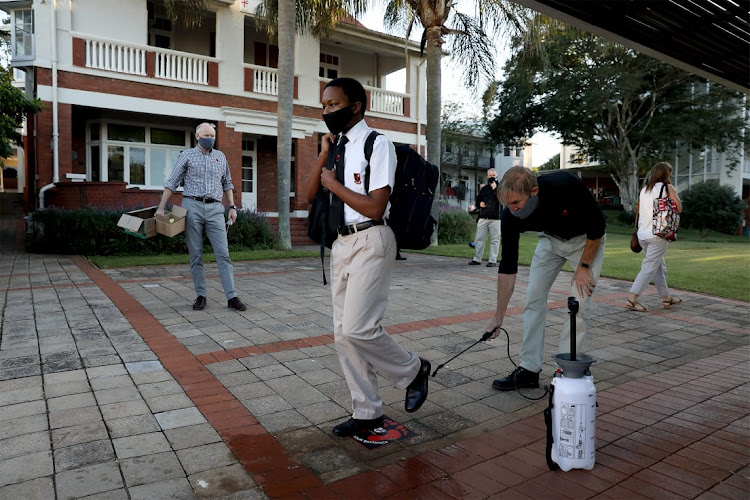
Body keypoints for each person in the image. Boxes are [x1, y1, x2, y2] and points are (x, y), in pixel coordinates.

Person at [305, 77, 429, 437]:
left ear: (356, 106)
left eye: (333, 104)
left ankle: (412, 370)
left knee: (360, 328)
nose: (327, 111)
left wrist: (335, 185)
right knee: (344, 335)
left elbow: (376, 206)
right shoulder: (337, 147)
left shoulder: (378, 144)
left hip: (372, 238)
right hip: (341, 245)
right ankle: (367, 412)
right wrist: (324, 156)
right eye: (324, 106)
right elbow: (307, 195)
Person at [486, 167, 606, 391]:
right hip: (550, 241)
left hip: (585, 242)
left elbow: (597, 227)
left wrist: (584, 266)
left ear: (533, 191)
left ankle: (565, 371)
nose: (511, 210)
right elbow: (508, 266)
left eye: (515, 203)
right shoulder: (509, 216)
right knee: (533, 297)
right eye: (507, 204)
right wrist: (498, 317)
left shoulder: (566, 185)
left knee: (578, 303)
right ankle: (529, 370)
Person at [156, 122, 247, 312]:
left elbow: (227, 183)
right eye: (206, 135)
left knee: (223, 254)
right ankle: (201, 296)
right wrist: (161, 207)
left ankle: (232, 297)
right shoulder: (186, 155)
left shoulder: (220, 157)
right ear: (197, 136)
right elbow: (172, 182)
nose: (210, 139)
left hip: (215, 208)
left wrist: (232, 206)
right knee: (196, 254)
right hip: (192, 206)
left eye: (212, 136)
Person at [626, 162, 683, 312]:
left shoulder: (644, 190)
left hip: (642, 235)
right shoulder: (667, 188)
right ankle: (632, 299)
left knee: (659, 267)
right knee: (649, 267)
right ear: (666, 174)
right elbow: (679, 208)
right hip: (659, 235)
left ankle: (666, 299)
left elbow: (638, 213)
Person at [468, 169, 501, 267]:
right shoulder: (484, 189)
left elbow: (502, 200)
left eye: (494, 175)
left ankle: (492, 260)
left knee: (495, 239)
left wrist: (495, 189)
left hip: (496, 218)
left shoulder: (501, 188)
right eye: (490, 175)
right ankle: (477, 259)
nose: (492, 177)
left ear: (497, 176)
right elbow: (478, 201)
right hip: (483, 217)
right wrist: (480, 204)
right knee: (479, 239)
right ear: (487, 176)